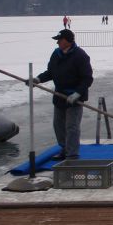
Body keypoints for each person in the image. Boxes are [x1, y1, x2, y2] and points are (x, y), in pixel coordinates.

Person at [28, 29, 93, 160]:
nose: (57, 42)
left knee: (72, 126)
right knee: (58, 125)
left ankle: (72, 154)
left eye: (60, 40)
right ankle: (64, 149)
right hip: (59, 96)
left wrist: (77, 94)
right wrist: (38, 79)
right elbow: (50, 72)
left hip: (74, 98)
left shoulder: (80, 55)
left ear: (68, 41)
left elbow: (87, 78)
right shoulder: (56, 54)